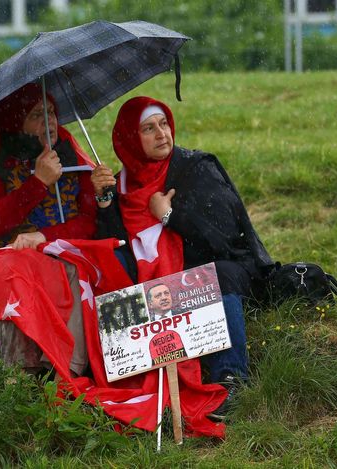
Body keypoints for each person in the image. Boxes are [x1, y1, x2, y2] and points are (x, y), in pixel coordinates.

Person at [91, 96, 274, 420]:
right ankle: (125, 377)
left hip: (222, 268)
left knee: (213, 275)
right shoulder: (121, 186)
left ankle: (232, 379)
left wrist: (170, 216)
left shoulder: (195, 168)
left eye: (164, 124)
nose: (162, 134)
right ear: (130, 139)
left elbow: (223, 238)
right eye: (148, 128)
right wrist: (105, 203)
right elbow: (117, 247)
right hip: (162, 283)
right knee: (116, 276)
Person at [0, 82, 97, 378]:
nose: (49, 122)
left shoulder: (73, 161)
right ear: (16, 123)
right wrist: (38, 182)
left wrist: (102, 194)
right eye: (37, 115)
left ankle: (66, 370)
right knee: (19, 273)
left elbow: (90, 222)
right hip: (5, 265)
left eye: (51, 112)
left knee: (77, 266)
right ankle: (22, 374)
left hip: (57, 261)